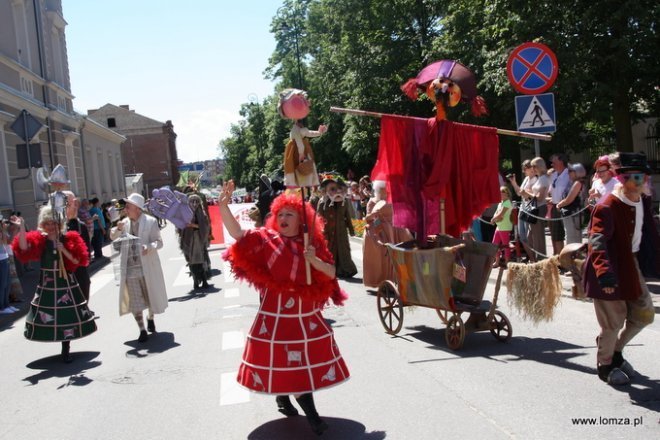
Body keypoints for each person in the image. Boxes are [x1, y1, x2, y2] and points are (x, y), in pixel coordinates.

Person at [219, 180, 349, 436]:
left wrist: (315, 261)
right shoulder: (266, 239)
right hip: (275, 315)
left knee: (297, 364)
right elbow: (238, 234)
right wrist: (224, 207)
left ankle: (284, 399)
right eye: (280, 214)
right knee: (283, 360)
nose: (283, 218)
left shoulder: (312, 244)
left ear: (301, 219)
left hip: (305, 315)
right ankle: (312, 417)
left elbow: (332, 272)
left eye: (289, 214)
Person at [583, 152, 656, 386]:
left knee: (644, 314)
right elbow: (596, 241)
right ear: (621, 179)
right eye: (633, 178)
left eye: (642, 177)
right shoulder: (607, 205)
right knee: (613, 322)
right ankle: (605, 365)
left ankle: (615, 350)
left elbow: (651, 235)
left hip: (630, 264)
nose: (639, 183)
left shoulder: (643, 200)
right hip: (608, 266)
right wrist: (604, 273)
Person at [11, 207, 96, 362]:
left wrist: (63, 250)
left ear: (59, 223)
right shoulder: (40, 240)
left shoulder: (68, 238)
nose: (51, 227)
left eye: (54, 223)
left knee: (66, 315)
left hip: (65, 282)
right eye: (47, 223)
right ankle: (54, 339)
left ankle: (66, 349)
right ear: (43, 224)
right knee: (48, 315)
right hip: (47, 284)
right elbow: (23, 248)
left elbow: (79, 261)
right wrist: (21, 227)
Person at [110, 193, 168, 342]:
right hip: (131, 268)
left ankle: (150, 317)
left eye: (128, 206)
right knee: (135, 300)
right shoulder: (124, 223)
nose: (126, 209)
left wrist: (148, 247)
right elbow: (112, 237)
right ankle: (142, 329)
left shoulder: (151, 222)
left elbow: (159, 242)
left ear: (137, 208)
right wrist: (117, 229)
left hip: (147, 265)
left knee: (149, 296)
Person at [362, 181, 413, 288]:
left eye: (386, 189)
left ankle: (398, 280)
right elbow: (367, 219)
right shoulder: (372, 201)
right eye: (382, 189)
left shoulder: (393, 200)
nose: (385, 192)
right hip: (378, 231)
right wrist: (373, 215)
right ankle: (383, 281)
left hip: (395, 230)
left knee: (399, 253)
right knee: (383, 257)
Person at [315, 176, 358, 278]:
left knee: (343, 250)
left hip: (341, 231)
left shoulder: (344, 203)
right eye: (333, 189)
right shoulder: (322, 203)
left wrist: (351, 230)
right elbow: (318, 218)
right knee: (331, 250)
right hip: (328, 231)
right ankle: (331, 269)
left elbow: (347, 216)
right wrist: (320, 231)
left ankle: (346, 269)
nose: (337, 192)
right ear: (326, 190)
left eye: (339, 189)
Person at [62, 191, 93, 312]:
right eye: (69, 204)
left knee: (84, 289)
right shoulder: (56, 227)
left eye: (74, 203)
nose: (74, 206)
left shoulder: (81, 226)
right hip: (63, 277)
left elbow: (86, 255)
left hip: (80, 273)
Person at [179, 194, 211, 290]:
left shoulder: (202, 213)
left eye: (196, 201)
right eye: (192, 201)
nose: (194, 203)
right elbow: (180, 226)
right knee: (191, 261)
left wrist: (193, 225)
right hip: (189, 239)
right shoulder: (185, 213)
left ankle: (204, 280)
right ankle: (195, 281)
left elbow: (205, 226)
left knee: (201, 260)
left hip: (199, 238)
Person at [508, 159, 537, 261]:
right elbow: (520, 193)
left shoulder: (536, 180)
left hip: (531, 210)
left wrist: (524, 192)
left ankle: (534, 258)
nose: (523, 171)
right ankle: (531, 258)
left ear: (531, 168)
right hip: (523, 208)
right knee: (522, 236)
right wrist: (514, 182)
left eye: (525, 169)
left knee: (530, 237)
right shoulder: (526, 179)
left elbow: (530, 196)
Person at [556, 163, 586, 245]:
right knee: (572, 239)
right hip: (571, 213)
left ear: (577, 172)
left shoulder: (577, 183)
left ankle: (572, 257)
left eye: (570, 171)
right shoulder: (573, 182)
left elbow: (569, 199)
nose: (568, 173)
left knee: (572, 240)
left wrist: (559, 205)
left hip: (573, 214)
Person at [547, 153, 571, 255]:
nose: (552, 164)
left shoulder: (569, 174)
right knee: (557, 237)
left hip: (568, 208)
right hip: (555, 208)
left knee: (569, 236)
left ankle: (570, 261)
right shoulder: (553, 175)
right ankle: (561, 261)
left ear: (561, 162)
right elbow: (550, 192)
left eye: (554, 162)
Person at [490, 186, 513, 267]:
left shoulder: (507, 203)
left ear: (506, 194)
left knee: (505, 245)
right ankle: (497, 262)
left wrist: (493, 219)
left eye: (501, 193)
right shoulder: (500, 203)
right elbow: (496, 213)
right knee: (495, 244)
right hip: (499, 226)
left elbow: (501, 214)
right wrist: (494, 219)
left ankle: (507, 262)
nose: (500, 195)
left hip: (505, 227)